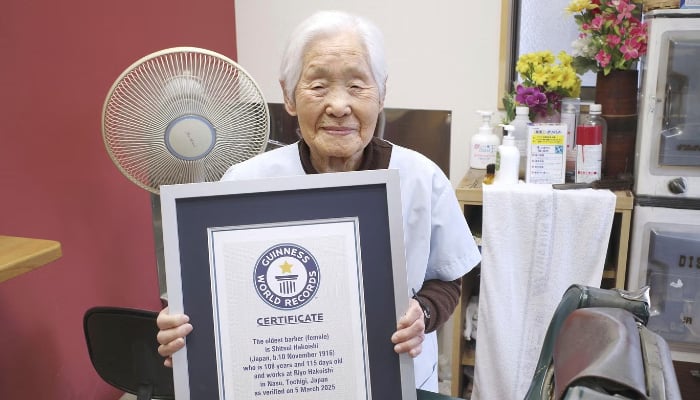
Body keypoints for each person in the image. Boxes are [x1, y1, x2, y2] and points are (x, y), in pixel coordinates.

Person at [156, 9, 481, 392]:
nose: (339, 105)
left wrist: (422, 314)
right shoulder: (244, 183)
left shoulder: (422, 178)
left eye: (357, 86)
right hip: (277, 382)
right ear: (288, 96)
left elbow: (446, 279)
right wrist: (182, 329)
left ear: (382, 94)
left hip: (395, 380)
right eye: (319, 86)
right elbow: (216, 296)